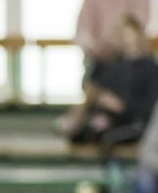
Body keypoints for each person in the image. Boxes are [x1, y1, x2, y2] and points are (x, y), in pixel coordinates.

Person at [61, 16, 158, 147]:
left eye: (128, 34)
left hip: (135, 124)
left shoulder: (149, 68)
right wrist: (101, 101)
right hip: (109, 121)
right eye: (121, 34)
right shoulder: (111, 66)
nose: (126, 39)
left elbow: (150, 107)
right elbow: (95, 92)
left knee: (109, 138)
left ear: (138, 36)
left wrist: (121, 107)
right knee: (81, 134)